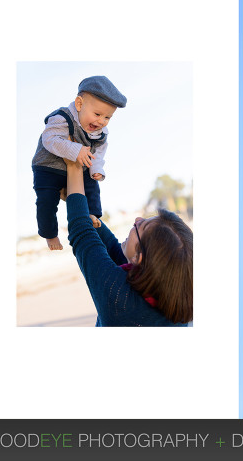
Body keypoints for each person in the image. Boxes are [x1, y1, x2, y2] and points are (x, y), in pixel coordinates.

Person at [62, 149, 193, 327]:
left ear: (140, 258)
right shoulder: (175, 294)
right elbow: (113, 251)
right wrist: (78, 200)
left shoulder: (118, 299)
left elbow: (81, 233)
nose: (137, 220)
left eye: (140, 227)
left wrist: (73, 163)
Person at [32, 76, 125, 251]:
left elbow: (98, 152)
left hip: (80, 166)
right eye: (97, 114)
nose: (100, 121)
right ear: (79, 104)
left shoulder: (100, 132)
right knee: (46, 201)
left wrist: (96, 168)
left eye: (107, 117)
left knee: (92, 187)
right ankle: (49, 233)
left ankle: (92, 215)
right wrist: (75, 149)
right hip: (48, 167)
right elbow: (49, 139)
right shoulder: (62, 117)